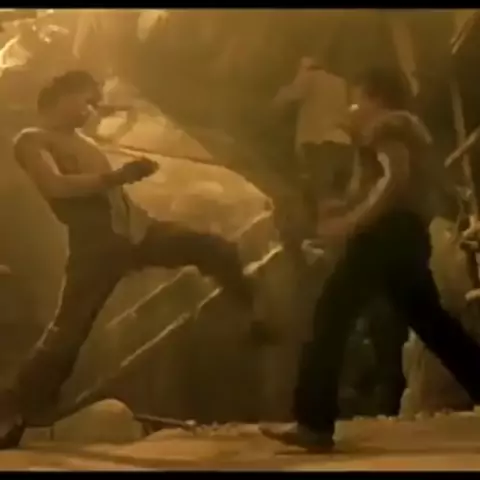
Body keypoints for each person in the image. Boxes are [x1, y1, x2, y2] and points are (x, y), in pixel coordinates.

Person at [0, 70, 258, 449]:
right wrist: (118, 176)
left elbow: (113, 195)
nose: (89, 109)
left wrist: (129, 179)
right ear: (63, 95)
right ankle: (14, 412)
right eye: (85, 100)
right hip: (96, 249)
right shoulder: (32, 139)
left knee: (213, 248)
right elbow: (55, 186)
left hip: (138, 233)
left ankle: (252, 318)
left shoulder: (85, 141)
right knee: (67, 335)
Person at [262, 67, 480, 451]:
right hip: (405, 235)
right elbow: (386, 181)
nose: (354, 106)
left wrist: (353, 221)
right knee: (433, 324)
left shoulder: (387, 126)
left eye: (358, 97)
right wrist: (342, 208)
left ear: (375, 96)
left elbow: (395, 178)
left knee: (332, 311)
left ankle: (313, 422)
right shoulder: (401, 129)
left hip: (385, 234)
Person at [273, 56, 355, 221]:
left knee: (323, 196)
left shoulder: (309, 76)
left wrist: (277, 99)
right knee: (340, 197)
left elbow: (292, 94)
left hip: (318, 143)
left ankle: (327, 229)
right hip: (343, 143)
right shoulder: (340, 82)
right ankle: (342, 229)